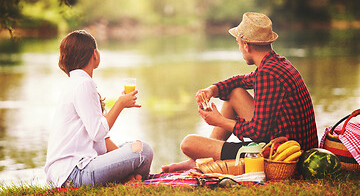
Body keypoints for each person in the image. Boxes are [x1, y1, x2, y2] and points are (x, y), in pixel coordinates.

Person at [162, 12, 318, 172]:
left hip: (283, 155)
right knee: (235, 93)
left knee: (188, 144)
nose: (239, 48)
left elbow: (258, 132)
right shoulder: (276, 64)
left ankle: (201, 159)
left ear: (246, 45)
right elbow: (240, 81)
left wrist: (219, 121)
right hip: (292, 143)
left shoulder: (267, 75)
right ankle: (201, 160)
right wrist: (213, 89)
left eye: (238, 43)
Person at [44, 30, 153, 187]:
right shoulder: (83, 84)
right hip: (73, 173)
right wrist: (120, 104)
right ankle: (131, 179)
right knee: (144, 151)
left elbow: (102, 139)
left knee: (134, 146)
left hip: (68, 172)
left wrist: (125, 159)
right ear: (95, 54)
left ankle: (129, 178)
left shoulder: (75, 82)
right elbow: (98, 132)